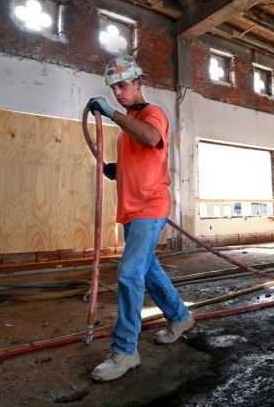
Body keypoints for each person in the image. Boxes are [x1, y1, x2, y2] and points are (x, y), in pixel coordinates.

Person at [86, 55, 194, 383]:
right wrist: (117, 170)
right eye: (113, 88)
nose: (118, 92)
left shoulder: (153, 114)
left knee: (129, 273)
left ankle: (125, 350)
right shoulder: (127, 125)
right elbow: (142, 158)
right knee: (147, 270)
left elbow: (150, 138)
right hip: (131, 209)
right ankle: (179, 316)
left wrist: (112, 113)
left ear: (138, 84)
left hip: (150, 208)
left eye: (122, 85)